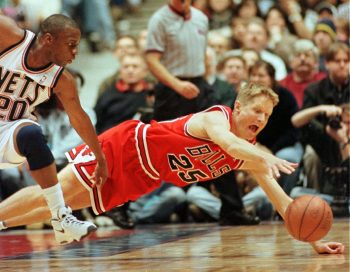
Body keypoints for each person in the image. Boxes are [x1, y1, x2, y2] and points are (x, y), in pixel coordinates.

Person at [0, 83, 344, 254]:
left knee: (58, 208)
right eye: (255, 110)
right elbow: (230, 145)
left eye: (266, 116)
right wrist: (265, 157)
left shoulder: (249, 152)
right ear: (238, 107)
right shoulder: (215, 119)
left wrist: (311, 237)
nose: (260, 119)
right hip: (128, 147)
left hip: (143, 177)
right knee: (56, 192)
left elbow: (283, 202)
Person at [0, 14, 108, 244]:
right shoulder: (11, 37)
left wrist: (100, 157)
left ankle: (61, 217)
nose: (75, 52)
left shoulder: (62, 80)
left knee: (32, 132)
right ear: (48, 39)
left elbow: (80, 118)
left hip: (8, 131)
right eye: (71, 45)